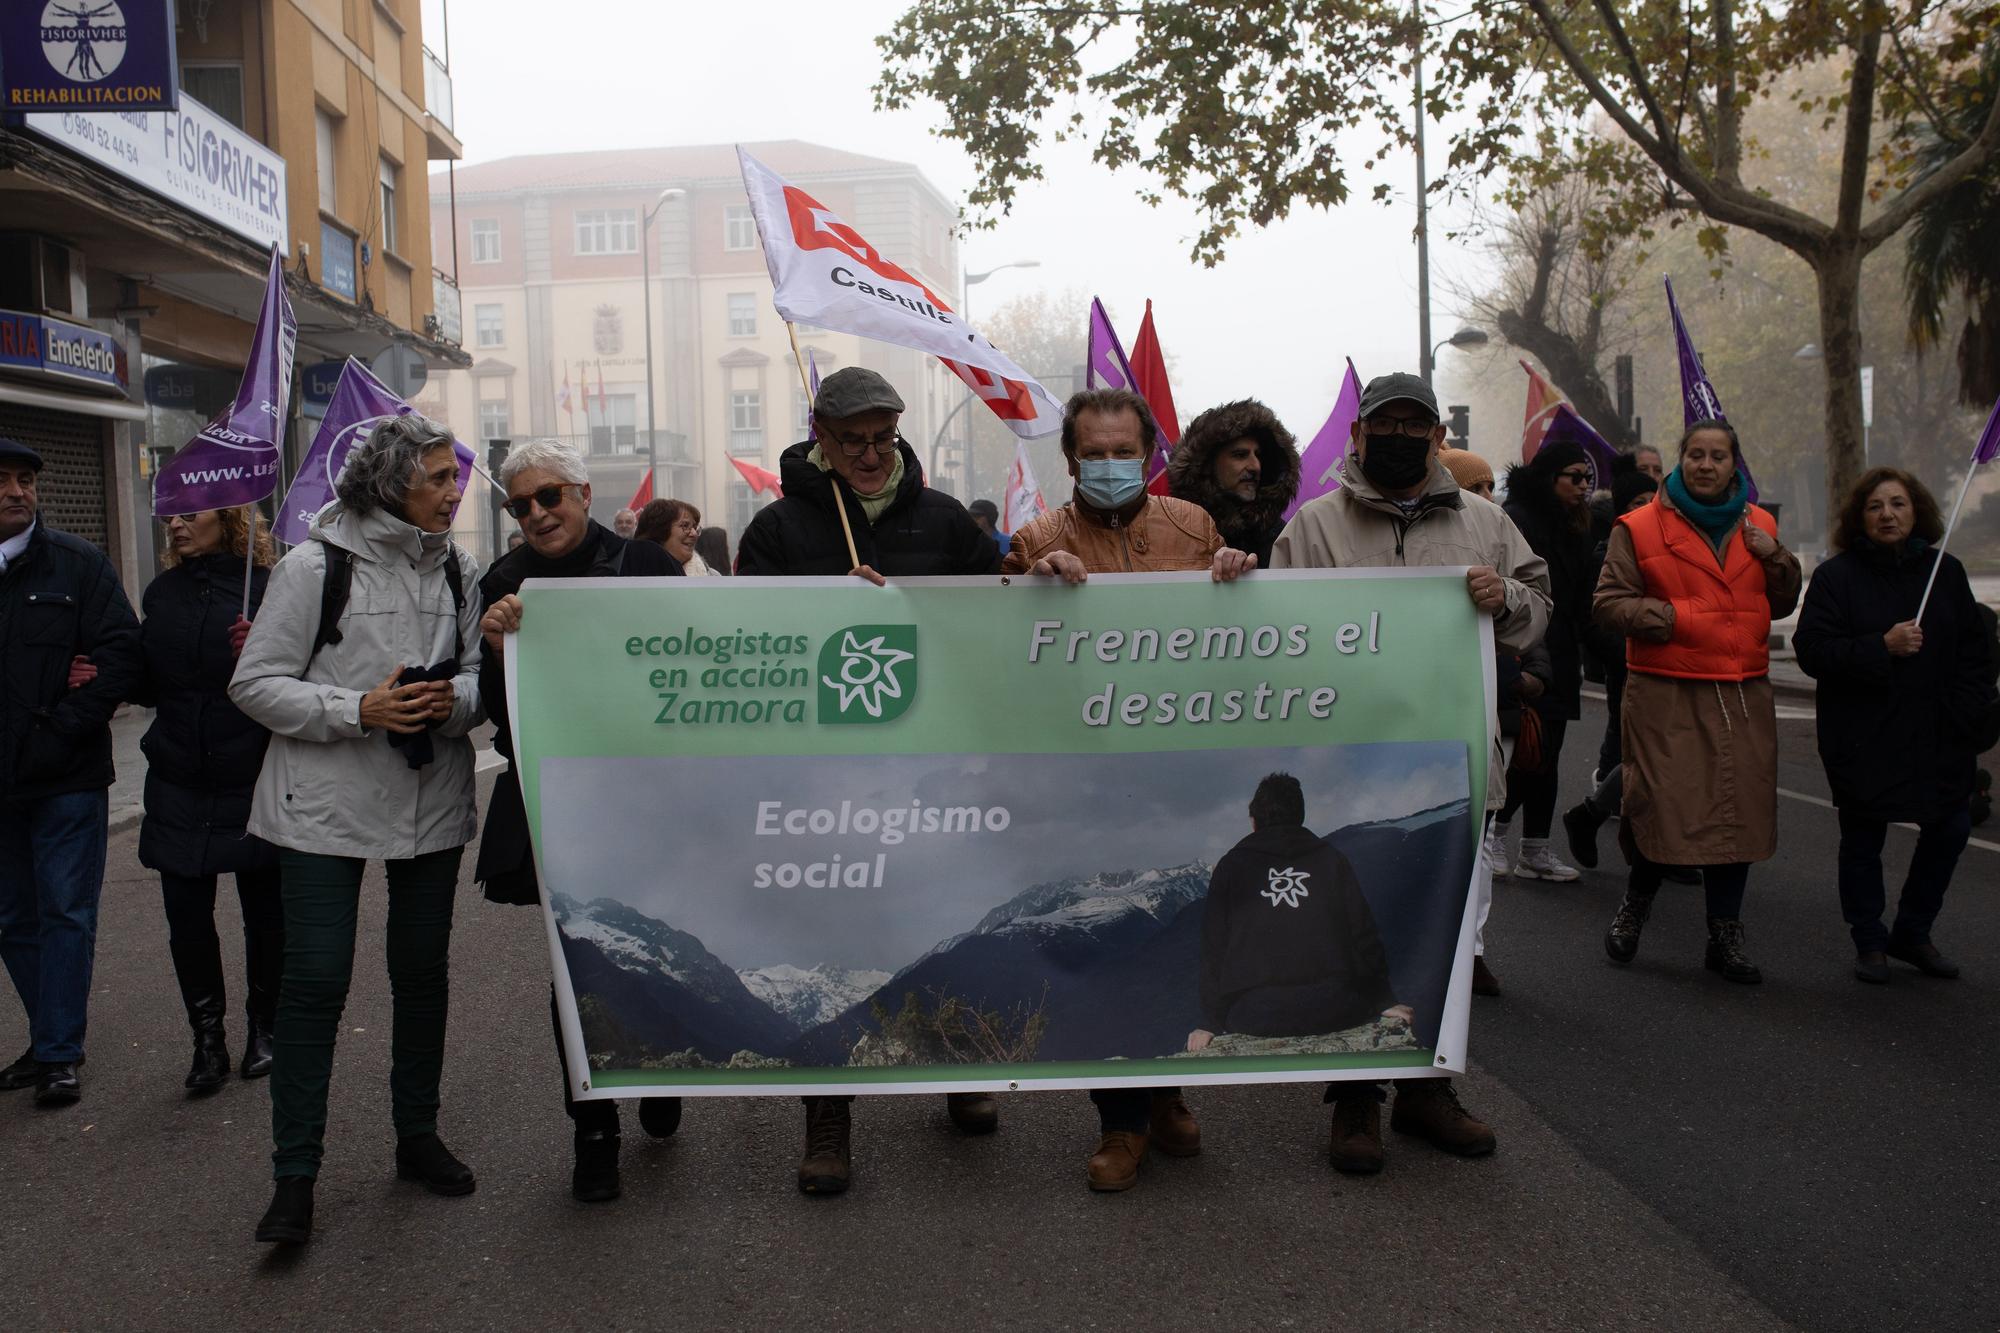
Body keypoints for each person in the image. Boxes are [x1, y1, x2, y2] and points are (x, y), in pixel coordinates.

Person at [1270, 372, 1551, 1174]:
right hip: (1348, 769)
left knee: (1446, 936)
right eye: (1384, 424)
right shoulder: (1313, 527)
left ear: (1437, 440)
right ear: (1359, 436)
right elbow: (1275, 628)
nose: (1399, 436)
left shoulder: (1489, 523)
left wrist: (1509, 603)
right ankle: (1357, 1095)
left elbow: (1541, 608)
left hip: (1455, 760)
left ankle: (1429, 1088)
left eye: (1414, 426)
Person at [734, 365, 1001, 1195]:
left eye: (884, 437)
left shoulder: (946, 519)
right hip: (827, 775)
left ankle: (958, 1071)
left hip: (933, 766)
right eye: (853, 440)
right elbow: (747, 638)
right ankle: (828, 1115)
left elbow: (998, 609)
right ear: (822, 438)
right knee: (833, 943)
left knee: (946, 920)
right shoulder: (777, 529)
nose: (871, 454)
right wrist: (823, 609)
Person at [229, 415, 486, 1246]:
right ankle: (292, 1178)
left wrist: (458, 702)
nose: (457, 489)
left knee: (421, 974)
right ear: (390, 483)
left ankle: (417, 1138)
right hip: (322, 807)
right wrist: (357, 707)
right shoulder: (312, 565)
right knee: (314, 983)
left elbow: (484, 676)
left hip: (430, 800)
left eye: (456, 475)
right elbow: (254, 683)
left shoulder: (459, 567)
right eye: (441, 476)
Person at [1000, 386, 1256, 1192]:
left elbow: (1233, 641)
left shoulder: (1193, 526)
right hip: (1084, 776)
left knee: (1180, 928)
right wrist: (1025, 585)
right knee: (1108, 940)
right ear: (1071, 460)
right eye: (1094, 453)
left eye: (1125, 451)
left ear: (1148, 454)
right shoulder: (1037, 536)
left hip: (1178, 763)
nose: (1111, 465)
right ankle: (1122, 1120)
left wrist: (1235, 574)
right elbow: (994, 650)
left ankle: (1169, 1093)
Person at [472, 439, 683, 1202]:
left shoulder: (648, 566)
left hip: (652, 799)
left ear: (585, 494)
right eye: (519, 505)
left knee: (657, 943)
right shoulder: (499, 581)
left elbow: (694, 663)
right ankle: (592, 1126)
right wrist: (497, 652)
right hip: (557, 797)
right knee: (575, 965)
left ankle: (661, 1069)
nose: (534, 513)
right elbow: (500, 721)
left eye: (548, 496)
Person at [1591, 419, 1801, 984]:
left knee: (1738, 817)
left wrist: (1777, 556)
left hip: (1742, 690)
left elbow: (1781, 603)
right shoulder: (1636, 527)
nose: (1707, 465)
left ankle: (1725, 934)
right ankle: (1636, 904)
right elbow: (1609, 604)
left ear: (1736, 464)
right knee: (1663, 809)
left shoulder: (1760, 523)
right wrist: (1677, 618)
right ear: (1682, 460)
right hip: (1666, 690)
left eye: (1719, 456)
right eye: (1696, 455)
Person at [1793, 468, 1998, 983]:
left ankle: (1913, 931)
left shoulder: (1944, 572)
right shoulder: (1836, 577)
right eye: (1876, 506)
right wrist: (1879, 646)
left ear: (1917, 511)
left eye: (1899, 504)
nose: (1888, 514)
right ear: (1859, 517)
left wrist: (1966, 711)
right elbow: (1812, 650)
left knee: (1950, 827)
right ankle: (1869, 939)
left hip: (1938, 733)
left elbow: (1976, 652)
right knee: (1864, 839)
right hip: (1865, 735)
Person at [0, 437, 142, 1108]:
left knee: (64, 911)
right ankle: (48, 1032)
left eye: (25, 478)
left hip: (65, 774)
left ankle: (57, 1052)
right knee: (10, 917)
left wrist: (62, 724)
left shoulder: (79, 564)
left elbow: (121, 656)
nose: (16, 490)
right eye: (2, 479)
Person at [133, 506, 282, 1093]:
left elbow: (308, 670)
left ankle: (264, 1031)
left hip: (251, 771)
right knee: (187, 917)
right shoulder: (162, 593)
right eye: (171, 516)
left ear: (230, 521)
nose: (176, 525)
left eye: (190, 515)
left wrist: (263, 654)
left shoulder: (268, 590)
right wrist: (99, 671)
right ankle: (207, 1040)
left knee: (265, 914)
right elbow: (148, 681)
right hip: (178, 775)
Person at [1194, 773, 1402, 1042]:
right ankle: (1352, 1086)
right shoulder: (1331, 859)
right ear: (1300, 816)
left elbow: (1214, 950)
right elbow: (1364, 936)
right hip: (1335, 1007)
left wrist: (1209, 1022)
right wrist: (1384, 999)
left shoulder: (1231, 866)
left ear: (1254, 821)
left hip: (1256, 1014)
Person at [1491, 441, 1598, 883]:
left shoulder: (1573, 523)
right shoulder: (1520, 519)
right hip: (1529, 650)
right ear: (1550, 477)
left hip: (1562, 651)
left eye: (1588, 478)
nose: (1584, 486)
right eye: (1574, 477)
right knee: (1524, 751)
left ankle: (1535, 848)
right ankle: (1495, 835)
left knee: (1548, 751)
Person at [1562, 469, 1660, 869]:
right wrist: (1625, 652)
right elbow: (1597, 612)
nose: (1648, 510)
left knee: (1669, 756)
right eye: (1638, 503)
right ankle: (1601, 815)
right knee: (1651, 756)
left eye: (1652, 501)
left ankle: (1595, 814)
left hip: (1675, 665)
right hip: (1635, 665)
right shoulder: (1612, 547)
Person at [1166, 398, 1301, 567]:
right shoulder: (1174, 533)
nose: (1255, 466)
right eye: (1240, 455)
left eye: (1258, 455)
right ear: (1207, 465)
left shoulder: (1282, 538)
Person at [635, 498, 709, 575]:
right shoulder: (625, 573)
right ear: (659, 531)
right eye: (685, 526)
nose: (694, 534)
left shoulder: (711, 577)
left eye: (695, 527)